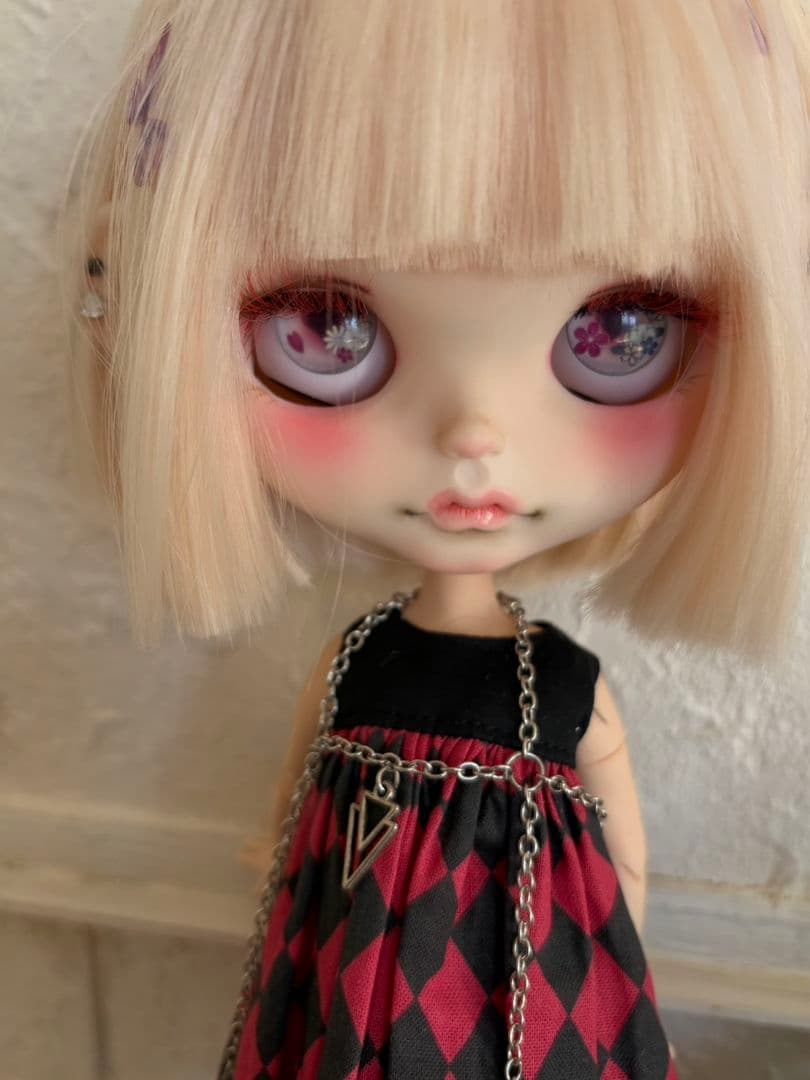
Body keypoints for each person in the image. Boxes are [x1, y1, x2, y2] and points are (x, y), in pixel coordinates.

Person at [66, 2, 809, 1077]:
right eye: (329, 329)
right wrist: (282, 859)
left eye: (621, 334)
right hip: (352, 958)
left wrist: (612, 942)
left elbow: (620, 851)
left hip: (516, 987)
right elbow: (298, 797)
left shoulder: (559, 683)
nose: (474, 438)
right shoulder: (361, 658)